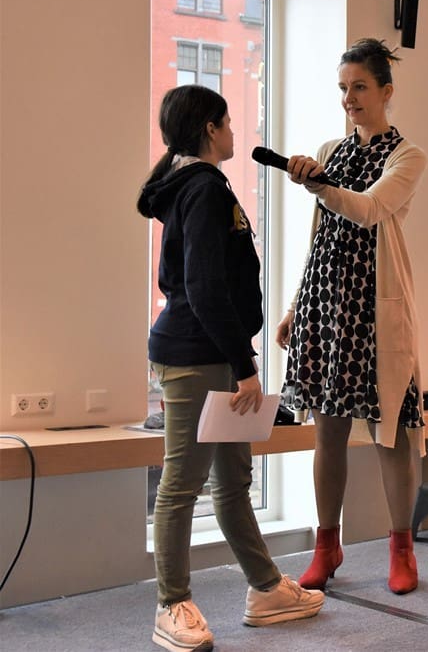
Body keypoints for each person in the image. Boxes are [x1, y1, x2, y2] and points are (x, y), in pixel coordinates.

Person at [137, 84, 324, 652]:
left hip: (216, 354)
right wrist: (245, 367)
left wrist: (238, 359)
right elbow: (203, 287)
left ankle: (266, 590)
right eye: (228, 122)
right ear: (210, 130)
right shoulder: (202, 189)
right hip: (196, 358)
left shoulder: (201, 185)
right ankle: (172, 605)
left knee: (234, 481)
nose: (235, 131)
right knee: (181, 485)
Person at [277, 38, 428, 595]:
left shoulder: (407, 156)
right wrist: (296, 304)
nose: (349, 98)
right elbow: (320, 238)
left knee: (391, 436)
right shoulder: (330, 149)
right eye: (343, 88)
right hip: (324, 303)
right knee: (328, 434)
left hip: (374, 309)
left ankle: (402, 549)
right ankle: (327, 546)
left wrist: (318, 183)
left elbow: (367, 210)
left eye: (359, 87)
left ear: (386, 91)